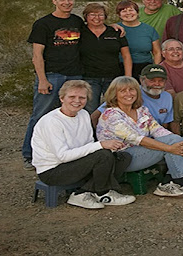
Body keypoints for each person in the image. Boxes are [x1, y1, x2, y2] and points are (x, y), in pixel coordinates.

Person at [96, 76, 183, 198]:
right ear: (114, 94)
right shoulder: (111, 115)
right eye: (123, 91)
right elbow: (137, 139)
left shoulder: (141, 110)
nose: (128, 94)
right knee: (173, 142)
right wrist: (171, 147)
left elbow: (158, 130)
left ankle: (168, 183)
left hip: (143, 151)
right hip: (123, 157)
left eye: (132, 90)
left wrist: (178, 143)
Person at [31, 80, 136, 209]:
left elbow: (88, 144)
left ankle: (83, 193)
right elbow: (62, 156)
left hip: (76, 163)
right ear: (62, 98)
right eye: (72, 97)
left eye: (82, 97)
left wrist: (111, 147)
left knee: (123, 157)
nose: (77, 101)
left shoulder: (83, 114)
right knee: (103, 155)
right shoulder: (52, 122)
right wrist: (101, 145)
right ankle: (103, 192)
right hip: (53, 170)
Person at [22, 0, 85, 170]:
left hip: (74, 75)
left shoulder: (77, 21)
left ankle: (66, 152)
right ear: (54, 1)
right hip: (52, 75)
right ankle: (30, 154)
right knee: (41, 115)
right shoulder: (43, 24)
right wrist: (42, 79)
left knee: (72, 115)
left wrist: (113, 27)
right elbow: (37, 55)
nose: (67, 3)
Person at [79, 2, 132, 113]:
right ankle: (91, 130)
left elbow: (126, 56)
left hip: (112, 78)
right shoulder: (80, 32)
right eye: (92, 14)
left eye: (100, 15)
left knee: (115, 108)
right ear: (86, 16)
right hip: (89, 78)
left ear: (105, 16)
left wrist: (128, 78)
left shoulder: (115, 32)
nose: (97, 18)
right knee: (90, 110)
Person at [91, 64, 177, 132]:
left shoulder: (167, 96)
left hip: (155, 135)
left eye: (161, 81)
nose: (157, 84)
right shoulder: (130, 94)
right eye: (152, 80)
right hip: (128, 140)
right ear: (142, 80)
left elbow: (165, 124)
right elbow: (95, 116)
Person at [116, 0, 161, 81]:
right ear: (119, 15)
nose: (128, 13)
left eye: (131, 10)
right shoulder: (115, 29)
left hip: (144, 68)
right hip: (120, 68)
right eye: (124, 11)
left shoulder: (149, 29)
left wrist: (155, 69)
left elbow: (157, 52)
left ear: (137, 12)